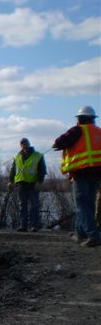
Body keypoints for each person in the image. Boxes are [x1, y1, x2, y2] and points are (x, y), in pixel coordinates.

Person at [52, 105, 101, 247]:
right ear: (93, 119)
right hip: (97, 173)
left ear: (79, 119)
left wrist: (58, 146)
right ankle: (80, 233)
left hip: (81, 172)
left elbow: (59, 142)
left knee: (81, 204)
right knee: (89, 203)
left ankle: (93, 235)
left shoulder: (77, 130)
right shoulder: (99, 131)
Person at [8, 137, 46, 232]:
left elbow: (42, 170)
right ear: (20, 145)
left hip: (33, 184)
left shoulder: (38, 155)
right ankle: (23, 226)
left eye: (25, 143)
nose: (24, 145)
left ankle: (34, 226)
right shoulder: (17, 157)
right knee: (22, 206)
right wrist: (10, 181)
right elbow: (13, 170)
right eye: (22, 143)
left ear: (29, 144)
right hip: (21, 184)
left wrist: (39, 181)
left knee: (34, 206)